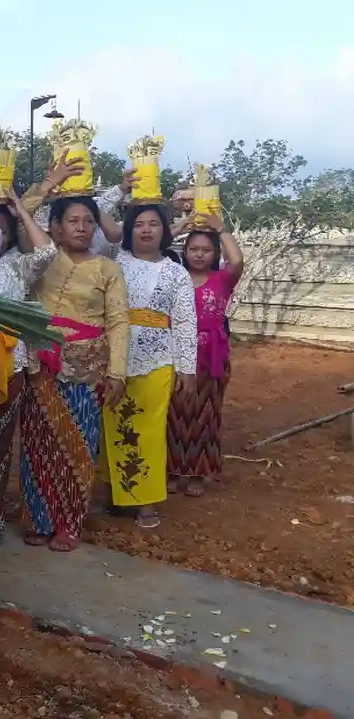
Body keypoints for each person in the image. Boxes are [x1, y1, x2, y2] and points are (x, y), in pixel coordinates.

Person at [19, 196, 129, 552]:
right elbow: (22, 213)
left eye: (88, 221)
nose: (81, 228)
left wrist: (117, 373)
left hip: (86, 369)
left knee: (79, 445)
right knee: (38, 445)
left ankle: (68, 523)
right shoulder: (41, 258)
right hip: (41, 365)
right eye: (72, 220)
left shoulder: (108, 269)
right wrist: (51, 183)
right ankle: (39, 520)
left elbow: (118, 321)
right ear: (55, 226)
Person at [102, 203, 197, 528]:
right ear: (128, 230)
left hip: (158, 359)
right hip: (114, 357)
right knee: (114, 426)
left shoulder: (177, 272)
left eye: (153, 223)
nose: (145, 229)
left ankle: (146, 501)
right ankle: (117, 492)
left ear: (164, 230)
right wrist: (118, 191)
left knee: (151, 432)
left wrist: (187, 367)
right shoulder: (113, 262)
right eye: (139, 223)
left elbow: (185, 322)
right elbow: (93, 212)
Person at [0, 186, 62, 544]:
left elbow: (47, 251)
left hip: (10, 366)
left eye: (4, 230)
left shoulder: (18, 264)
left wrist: (20, 210)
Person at [168, 212, 244, 496]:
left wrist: (220, 229)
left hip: (211, 358)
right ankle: (172, 471)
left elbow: (237, 261)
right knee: (173, 414)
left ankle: (198, 475)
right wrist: (180, 226)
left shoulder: (222, 279)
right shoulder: (174, 276)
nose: (199, 254)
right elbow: (156, 247)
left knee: (205, 415)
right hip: (176, 355)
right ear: (184, 251)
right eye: (193, 249)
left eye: (206, 250)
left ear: (215, 254)